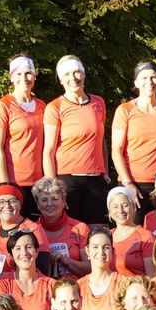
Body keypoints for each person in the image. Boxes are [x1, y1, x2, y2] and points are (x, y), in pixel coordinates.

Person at [42, 55, 108, 224]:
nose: (73, 78)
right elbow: (48, 150)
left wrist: (105, 171)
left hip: (95, 177)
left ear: (84, 74)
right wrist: (52, 185)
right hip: (67, 179)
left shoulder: (98, 102)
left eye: (77, 72)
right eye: (67, 75)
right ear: (61, 80)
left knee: (97, 232)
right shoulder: (55, 107)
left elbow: (101, 141)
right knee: (69, 230)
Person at [111, 60, 156, 206]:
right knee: (135, 228)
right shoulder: (125, 110)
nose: (150, 82)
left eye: (153, 77)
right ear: (137, 82)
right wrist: (127, 183)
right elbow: (116, 150)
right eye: (144, 78)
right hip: (132, 182)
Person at [0, 55, 47, 215]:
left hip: (38, 184)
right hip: (13, 183)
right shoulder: (3, 106)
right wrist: (5, 183)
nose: (24, 78)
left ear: (34, 75)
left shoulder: (42, 106)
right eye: (19, 74)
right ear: (12, 77)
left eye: (28, 73)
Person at [0, 231, 53, 310]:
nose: (24, 253)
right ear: (12, 254)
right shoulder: (2, 286)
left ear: (37, 251)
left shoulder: (51, 285)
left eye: (28, 247)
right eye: (18, 249)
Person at [0, 183, 45, 280]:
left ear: (20, 204)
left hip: (18, 290)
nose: (7, 206)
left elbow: (42, 270)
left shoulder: (33, 229)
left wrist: (1, 277)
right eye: (1, 202)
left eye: (12, 201)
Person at [32, 178, 92, 277]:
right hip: (43, 288)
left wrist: (66, 261)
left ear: (64, 202)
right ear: (38, 205)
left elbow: (91, 268)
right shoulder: (32, 231)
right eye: (44, 200)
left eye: (54, 199)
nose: (49, 204)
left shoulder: (81, 228)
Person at [104, 184, 154, 276]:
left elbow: (152, 276)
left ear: (134, 207)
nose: (121, 210)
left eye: (125, 205)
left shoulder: (145, 236)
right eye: (115, 207)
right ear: (110, 212)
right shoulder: (106, 237)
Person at [78, 228, 121, 310]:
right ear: (87, 251)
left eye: (106, 247)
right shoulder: (78, 287)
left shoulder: (123, 284)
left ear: (112, 251)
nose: (101, 252)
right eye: (95, 247)